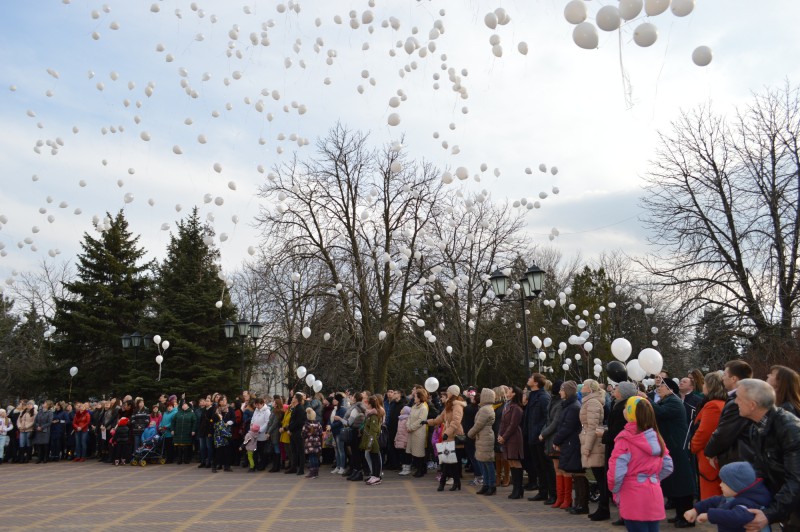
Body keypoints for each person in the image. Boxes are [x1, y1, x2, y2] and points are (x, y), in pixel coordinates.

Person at [735, 378, 800, 530]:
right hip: (788, 506)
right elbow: (762, 472)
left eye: (738, 398)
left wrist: (770, 514)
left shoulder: (789, 429)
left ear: (752, 405)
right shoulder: (756, 427)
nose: (735, 402)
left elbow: (796, 480)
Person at [608, 397, 674, 532]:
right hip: (653, 494)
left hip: (632, 496)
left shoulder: (625, 439)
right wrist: (653, 478)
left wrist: (615, 490)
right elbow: (668, 466)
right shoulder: (656, 436)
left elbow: (616, 474)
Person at [652, 375, 696, 527]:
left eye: (662, 386)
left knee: (682, 482)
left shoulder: (674, 402)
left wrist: (646, 399)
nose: (659, 388)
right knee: (675, 483)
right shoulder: (666, 401)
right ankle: (679, 514)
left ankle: (687, 517)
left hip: (678, 446)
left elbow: (660, 412)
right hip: (672, 445)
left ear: (670, 389)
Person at [684, 461, 772, 531]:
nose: (720, 485)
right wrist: (696, 510)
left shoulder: (747, 502)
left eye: (724, 482)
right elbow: (714, 501)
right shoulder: (733, 496)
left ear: (736, 485)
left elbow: (736, 516)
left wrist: (709, 515)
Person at [602, 381, 639, 527]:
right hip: (617, 446)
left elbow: (616, 431)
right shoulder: (619, 405)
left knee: (622, 481)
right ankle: (624, 514)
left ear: (622, 392)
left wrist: (604, 436)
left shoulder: (622, 408)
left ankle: (625, 515)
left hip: (618, 448)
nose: (614, 389)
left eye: (617, 388)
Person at [705, 360, 754, 468]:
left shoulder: (737, 401)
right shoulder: (742, 397)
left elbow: (724, 432)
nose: (722, 378)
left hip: (738, 460)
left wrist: (709, 452)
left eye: (725, 374)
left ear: (733, 379)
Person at [690, 371, 728, 500]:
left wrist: (693, 446)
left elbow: (704, 432)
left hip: (708, 459)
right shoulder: (719, 404)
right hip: (711, 457)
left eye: (705, 383)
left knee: (714, 501)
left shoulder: (713, 406)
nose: (703, 386)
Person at [579, 379, 609, 520]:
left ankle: (604, 508)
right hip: (593, 440)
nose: (582, 387)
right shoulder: (589, 401)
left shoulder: (592, 403)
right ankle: (602, 507)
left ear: (590, 388)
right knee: (598, 477)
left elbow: (592, 427)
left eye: (584, 385)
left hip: (595, 443)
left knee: (600, 477)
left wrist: (587, 447)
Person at [553, 380, 581, 511]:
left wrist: (556, 440)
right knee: (562, 469)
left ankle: (567, 498)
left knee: (567, 470)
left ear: (568, 392)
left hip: (570, 442)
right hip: (566, 442)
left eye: (562, 390)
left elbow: (567, 427)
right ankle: (561, 497)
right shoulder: (567, 405)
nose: (559, 392)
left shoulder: (574, 407)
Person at [525, 373, 552, 502]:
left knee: (544, 465)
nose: (528, 379)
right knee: (537, 465)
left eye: (530, 378)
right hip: (532, 435)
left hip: (539, 437)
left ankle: (548, 491)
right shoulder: (533, 396)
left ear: (535, 382)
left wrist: (540, 433)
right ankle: (542, 491)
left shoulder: (543, 397)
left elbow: (547, 418)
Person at [497, 385, 525, 499]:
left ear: (513, 394)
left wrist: (504, 436)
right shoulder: (508, 406)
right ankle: (516, 489)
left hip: (513, 438)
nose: (507, 391)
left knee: (515, 461)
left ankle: (518, 488)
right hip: (507, 437)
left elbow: (513, 425)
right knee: (511, 461)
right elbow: (503, 422)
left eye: (509, 390)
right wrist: (500, 434)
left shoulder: (516, 408)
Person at [468, 388, 497, 496]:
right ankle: (486, 484)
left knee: (487, 462)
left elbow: (478, 424)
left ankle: (491, 485)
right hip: (483, 436)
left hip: (485, 437)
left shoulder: (485, 409)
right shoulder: (486, 408)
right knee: (482, 461)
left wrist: (470, 433)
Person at [541, 380, 565, 507]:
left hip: (556, 438)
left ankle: (558, 496)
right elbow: (548, 419)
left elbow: (555, 422)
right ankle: (556, 496)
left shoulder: (561, 403)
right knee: (555, 468)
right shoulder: (553, 400)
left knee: (558, 468)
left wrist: (543, 433)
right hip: (550, 437)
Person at [361, 395, 384, 485]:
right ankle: (374, 475)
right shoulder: (370, 414)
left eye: (366, 403)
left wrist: (370, 443)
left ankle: (377, 477)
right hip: (370, 439)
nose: (365, 404)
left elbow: (373, 431)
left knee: (376, 459)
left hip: (373, 440)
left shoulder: (374, 415)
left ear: (370, 404)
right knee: (373, 458)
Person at [406, 388, 429, 478]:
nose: (414, 398)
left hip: (419, 433)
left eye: (415, 396)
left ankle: (421, 470)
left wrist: (411, 427)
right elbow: (409, 417)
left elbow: (421, 420)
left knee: (419, 453)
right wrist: (408, 426)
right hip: (412, 432)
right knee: (414, 452)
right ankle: (418, 469)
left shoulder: (423, 408)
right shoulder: (414, 406)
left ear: (420, 398)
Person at [283, 393, 307, 476]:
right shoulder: (295, 408)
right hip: (293, 432)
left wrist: (289, 428)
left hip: (298, 432)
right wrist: (289, 429)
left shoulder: (300, 408)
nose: (292, 398)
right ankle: (293, 468)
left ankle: (301, 469)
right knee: (293, 451)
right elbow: (292, 420)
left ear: (297, 399)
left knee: (300, 451)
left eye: (293, 397)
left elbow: (298, 422)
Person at [329, 393, 348, 474]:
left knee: (341, 450)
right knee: (336, 450)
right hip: (334, 431)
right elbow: (331, 419)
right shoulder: (335, 409)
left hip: (339, 432)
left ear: (339, 401)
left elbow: (340, 422)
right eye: (333, 399)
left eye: (335, 399)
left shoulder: (342, 410)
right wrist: (328, 425)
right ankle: (337, 466)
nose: (333, 400)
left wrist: (331, 426)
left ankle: (342, 467)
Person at [251, 397, 271, 471]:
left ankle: (263, 464)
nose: (257, 407)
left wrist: (260, 430)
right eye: (256, 405)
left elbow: (267, 422)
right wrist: (252, 426)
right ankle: (255, 465)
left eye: (258, 405)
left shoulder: (267, 411)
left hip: (262, 434)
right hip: (255, 434)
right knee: (255, 451)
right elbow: (253, 419)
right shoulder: (256, 410)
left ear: (262, 404)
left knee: (262, 451)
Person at [302, 408, 323, 479]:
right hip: (317, 442)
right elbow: (320, 433)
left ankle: (312, 472)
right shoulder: (318, 424)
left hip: (309, 443)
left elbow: (303, 434)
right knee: (316, 457)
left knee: (311, 458)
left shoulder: (306, 425)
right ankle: (316, 472)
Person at [266, 396, 284, 472]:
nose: (272, 403)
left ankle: (276, 466)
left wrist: (268, 432)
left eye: (273, 402)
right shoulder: (273, 411)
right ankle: (275, 466)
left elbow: (274, 423)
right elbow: (270, 422)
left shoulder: (277, 412)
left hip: (275, 432)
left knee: (276, 448)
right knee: (274, 448)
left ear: (276, 404)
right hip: (272, 432)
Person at [394, 405, 411, 475]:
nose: (401, 410)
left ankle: (407, 468)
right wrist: (396, 439)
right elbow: (398, 431)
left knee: (406, 454)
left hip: (405, 440)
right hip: (399, 439)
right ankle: (403, 468)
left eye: (402, 409)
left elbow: (407, 431)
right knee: (402, 454)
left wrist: (407, 441)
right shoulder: (400, 419)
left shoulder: (407, 419)